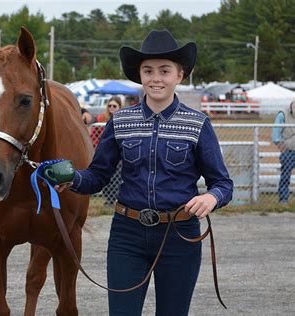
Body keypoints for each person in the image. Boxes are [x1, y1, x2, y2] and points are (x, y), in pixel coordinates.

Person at [55, 29, 233, 315]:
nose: (156, 78)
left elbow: (223, 183)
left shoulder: (198, 124)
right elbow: (98, 176)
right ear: (139, 75)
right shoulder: (120, 121)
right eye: (148, 70)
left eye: (165, 70)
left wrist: (211, 198)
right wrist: (71, 177)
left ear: (180, 75)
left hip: (180, 235)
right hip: (128, 235)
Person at [272, 100, 295, 204]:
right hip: (288, 151)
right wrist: (282, 146)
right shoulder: (283, 114)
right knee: (285, 176)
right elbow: (276, 133)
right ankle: (283, 199)